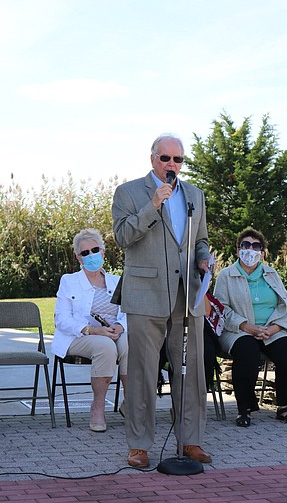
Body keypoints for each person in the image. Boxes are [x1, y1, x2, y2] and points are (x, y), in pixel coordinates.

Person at [112, 133, 212, 468]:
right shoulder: (128, 192)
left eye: (178, 159)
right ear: (152, 158)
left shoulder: (194, 194)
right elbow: (123, 237)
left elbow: (201, 240)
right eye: (165, 158)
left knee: (192, 372)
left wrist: (203, 258)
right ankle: (139, 445)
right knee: (142, 372)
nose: (172, 165)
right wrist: (153, 204)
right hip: (145, 295)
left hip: (187, 295)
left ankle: (191, 441)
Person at [213, 228, 287, 427]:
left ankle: (284, 407)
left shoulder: (271, 274)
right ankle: (245, 409)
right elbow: (220, 308)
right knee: (247, 352)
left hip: (271, 330)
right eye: (246, 245)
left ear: (262, 252)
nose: (250, 250)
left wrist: (275, 328)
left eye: (256, 246)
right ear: (238, 250)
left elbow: (285, 304)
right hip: (238, 331)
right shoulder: (226, 275)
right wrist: (246, 326)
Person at [52, 228, 128, 432]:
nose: (91, 255)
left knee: (130, 343)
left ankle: (131, 404)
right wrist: (93, 331)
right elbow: (62, 320)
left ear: (103, 252)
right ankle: (98, 407)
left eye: (95, 250)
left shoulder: (116, 280)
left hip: (114, 332)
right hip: (79, 336)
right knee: (105, 346)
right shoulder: (69, 281)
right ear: (78, 257)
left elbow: (128, 312)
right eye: (85, 253)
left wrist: (120, 326)